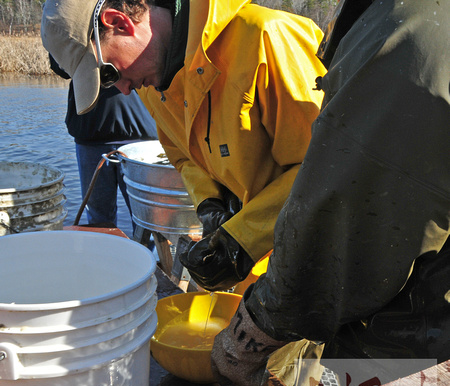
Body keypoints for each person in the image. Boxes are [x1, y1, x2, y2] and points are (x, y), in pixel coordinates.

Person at [208, 0, 450, 386]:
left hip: (415, 352)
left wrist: (254, 328)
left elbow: (344, 219)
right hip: (414, 327)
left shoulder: (413, 29)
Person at [40, 0, 327, 291]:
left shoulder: (265, 38)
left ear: (120, 22)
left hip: (318, 260)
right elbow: (182, 156)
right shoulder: (152, 83)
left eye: (110, 74)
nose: (123, 89)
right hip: (258, 268)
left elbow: (325, 169)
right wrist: (209, 203)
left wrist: (242, 239)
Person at [49, 55, 158, 232]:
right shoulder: (73, 33)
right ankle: (104, 256)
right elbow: (60, 65)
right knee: (98, 218)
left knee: (148, 218)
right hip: (91, 138)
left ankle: (151, 258)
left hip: (140, 140)